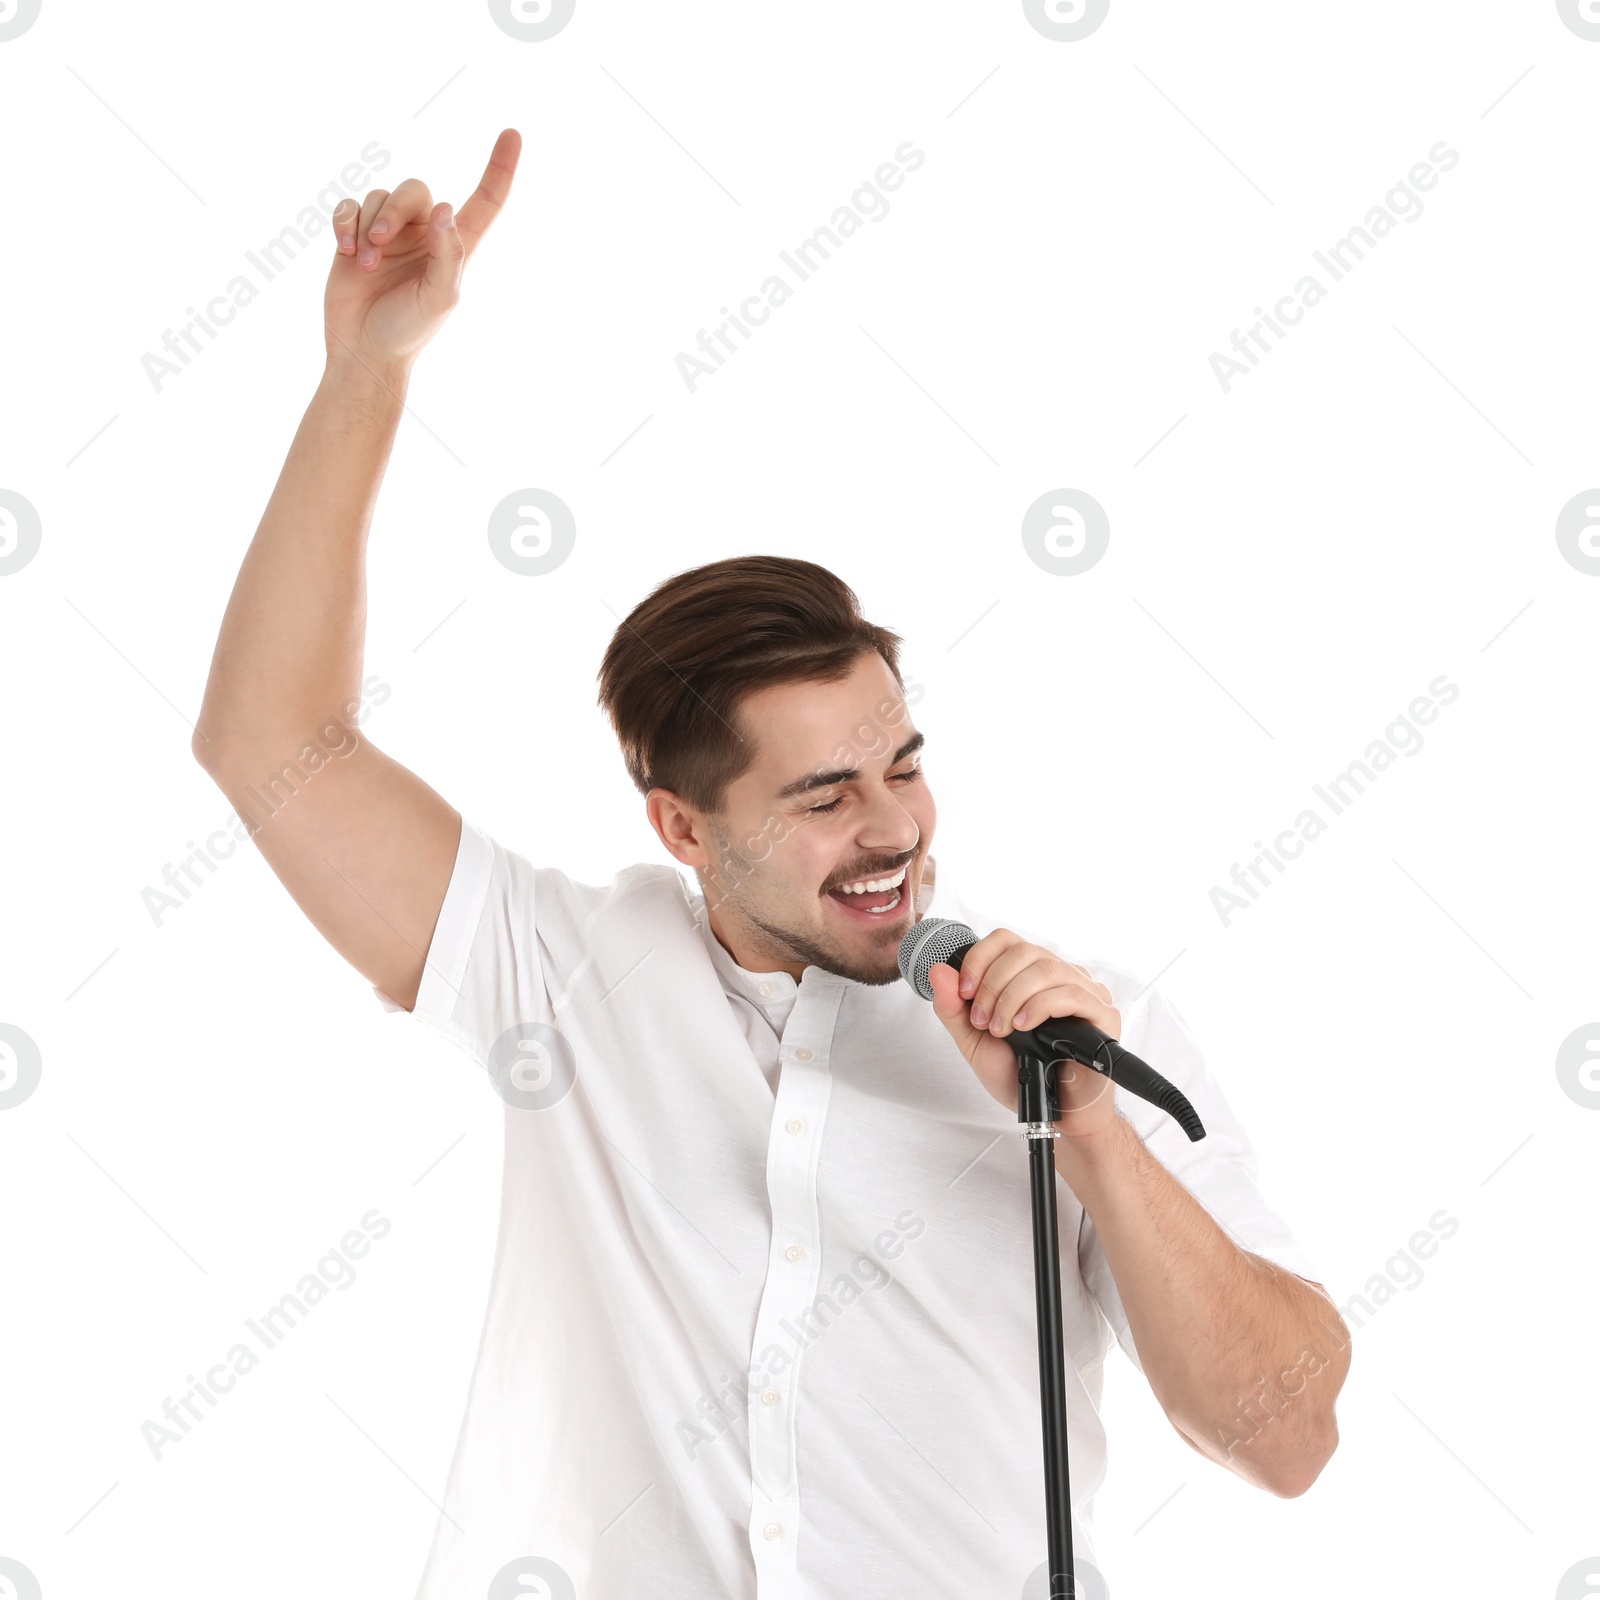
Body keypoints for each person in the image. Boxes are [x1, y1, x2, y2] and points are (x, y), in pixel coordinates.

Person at [193, 128, 1350, 1599]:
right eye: (821, 796)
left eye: (905, 764)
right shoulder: (564, 975)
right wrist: (368, 375)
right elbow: (268, 739)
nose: (892, 827)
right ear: (682, 827)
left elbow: (1288, 1439)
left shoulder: (1083, 1031)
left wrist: (1093, 1129)